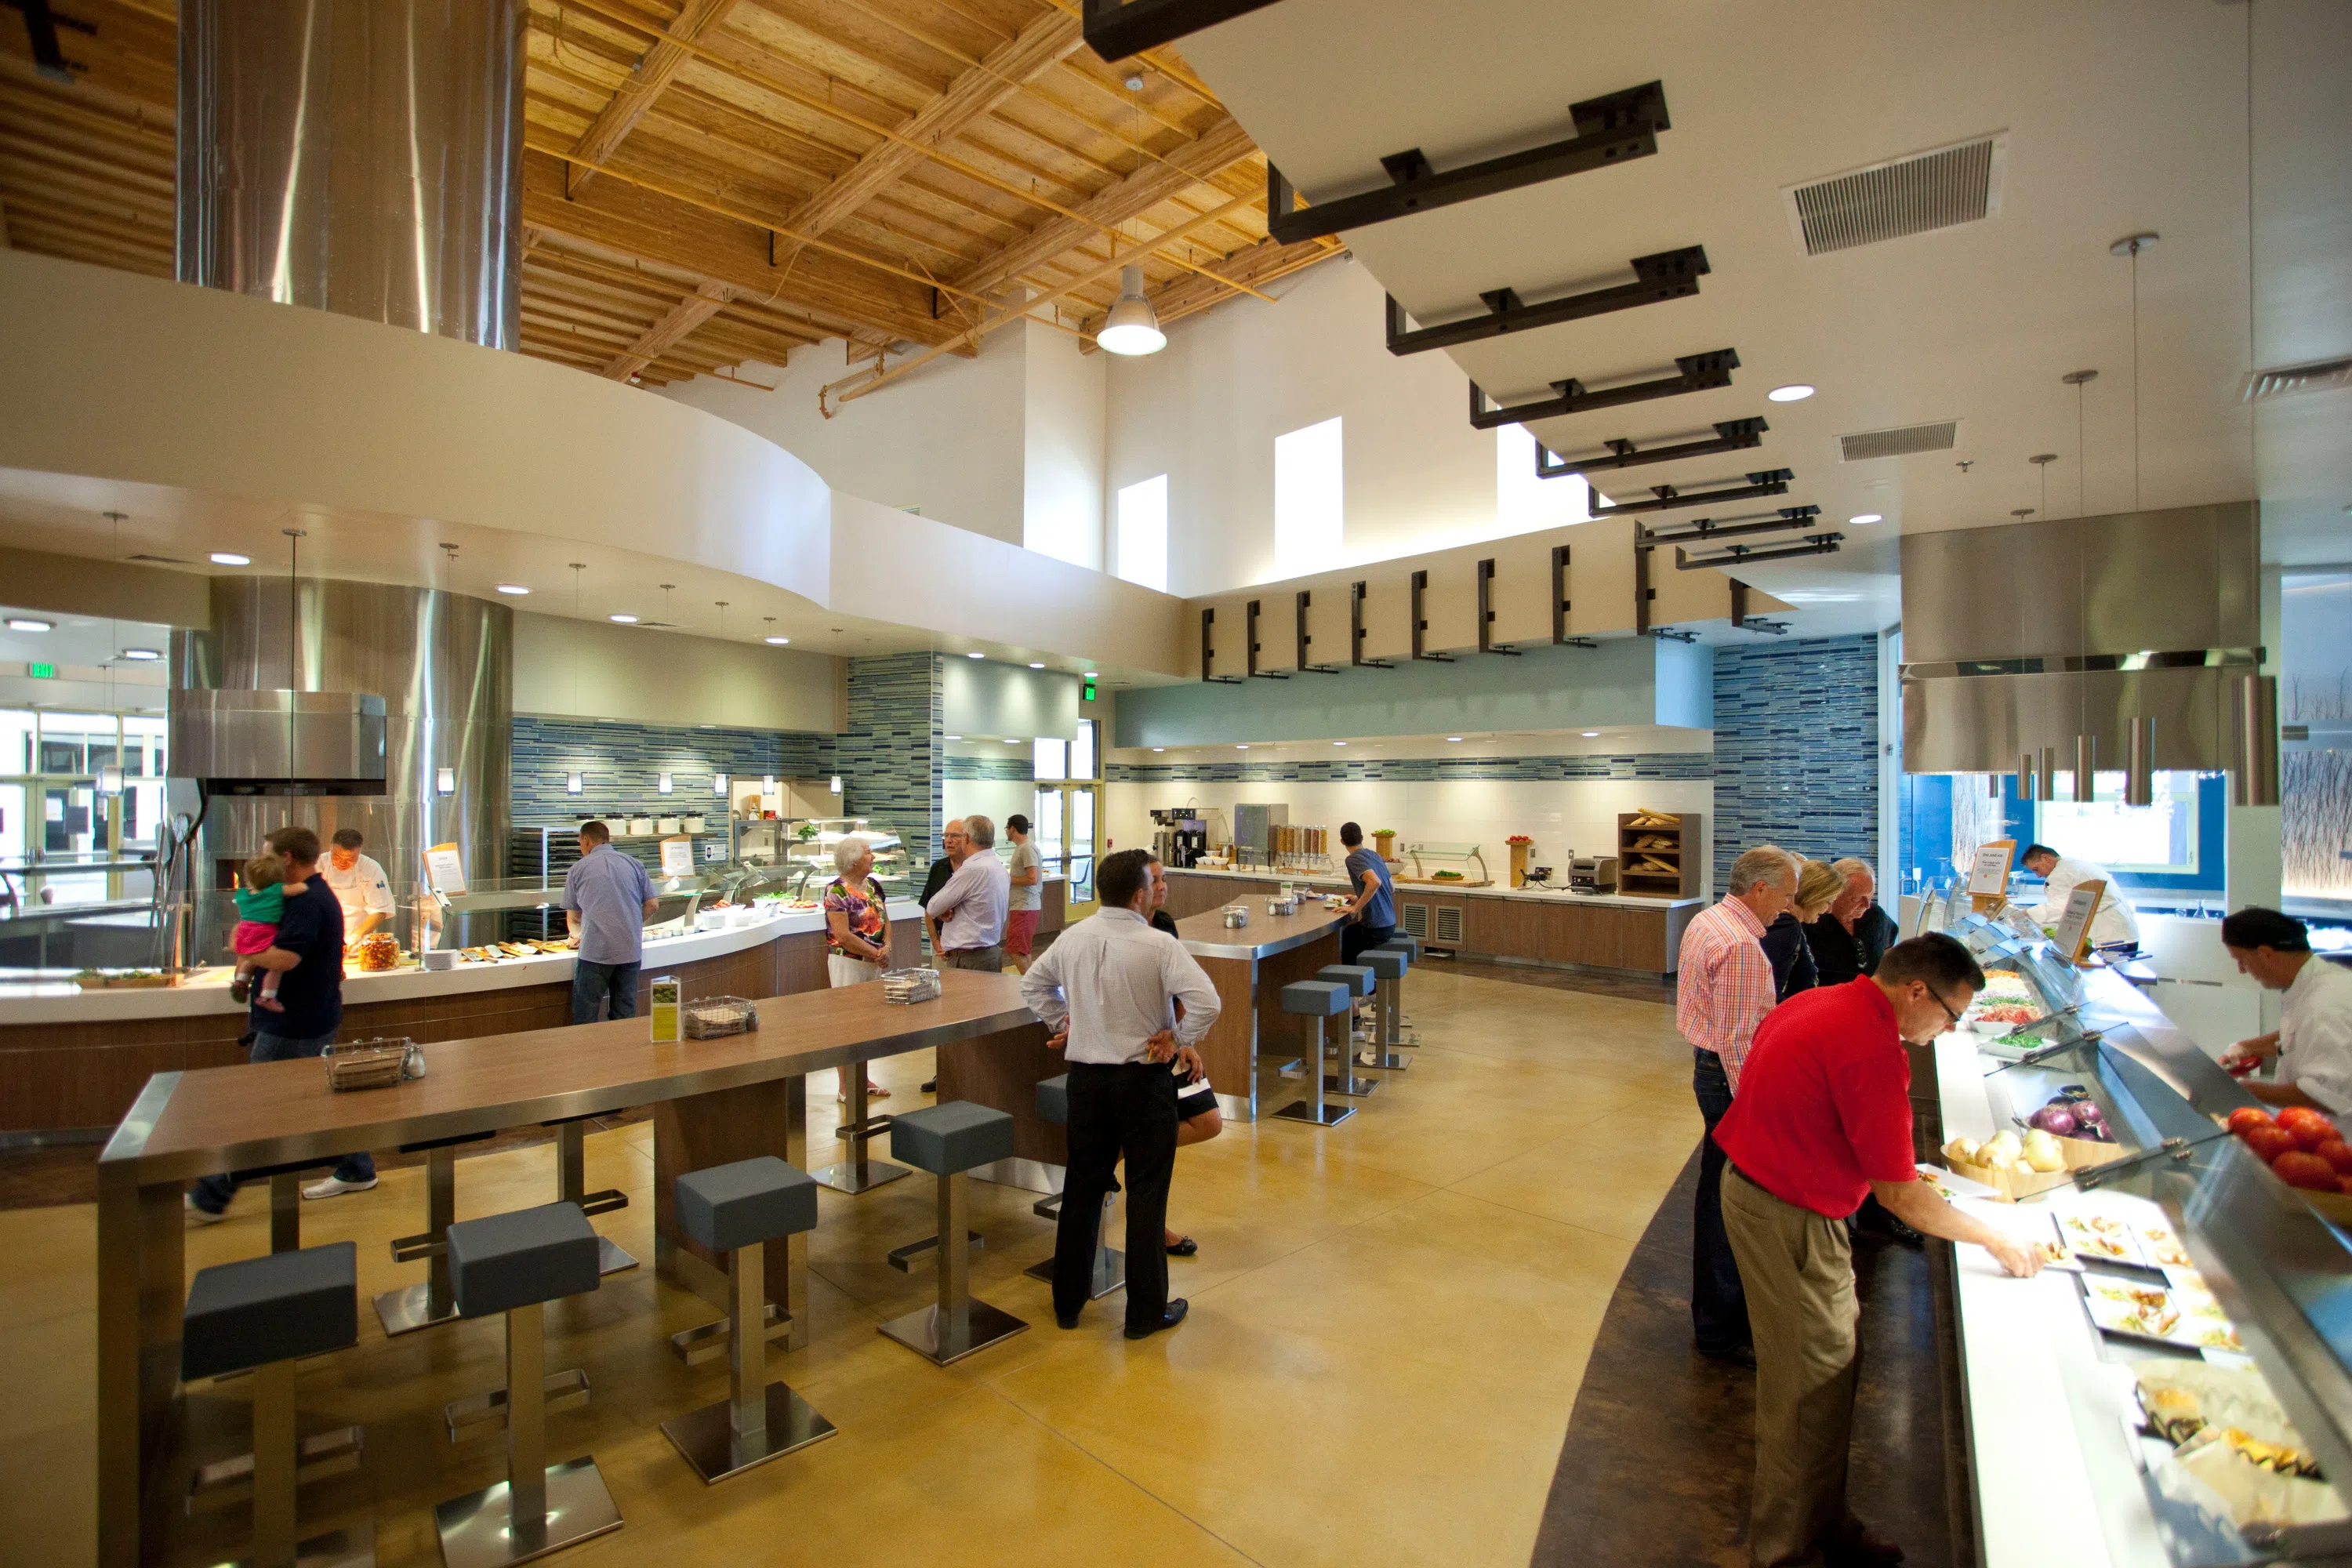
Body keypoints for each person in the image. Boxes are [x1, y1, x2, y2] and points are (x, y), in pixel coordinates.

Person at [1715, 934, 2043, 1567]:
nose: (1949, 1031)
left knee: (1823, 1379)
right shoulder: (1870, 1047)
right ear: (1916, 990)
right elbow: (1900, 1195)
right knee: (1807, 1391)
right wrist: (1993, 1234)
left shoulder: (1819, 1002)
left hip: (1769, 1194)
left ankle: (1825, 1525)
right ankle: (1784, 1551)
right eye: (1951, 1015)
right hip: (1790, 1217)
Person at [1022, 848, 1220, 1340]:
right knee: (1147, 1196)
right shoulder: (1157, 945)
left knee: (1082, 1191)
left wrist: (1062, 1021)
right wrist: (1179, 1037)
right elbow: (1207, 1001)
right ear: (1138, 894)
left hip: (1086, 1084)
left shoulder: (1072, 938)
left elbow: (1033, 984)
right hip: (1142, 1082)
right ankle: (1145, 1314)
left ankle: (1067, 1303)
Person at [188, 826, 376, 1218]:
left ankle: (212, 1196)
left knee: (258, 1108)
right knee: (308, 1102)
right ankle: (357, 1167)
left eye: (268, 852)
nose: (264, 859)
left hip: (296, 1020)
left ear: (287, 857)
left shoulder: (309, 901)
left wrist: (244, 946)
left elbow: (286, 960)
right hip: (304, 1015)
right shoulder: (303, 897)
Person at [1676, 844, 1798, 1367]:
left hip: (1703, 1065)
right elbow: (1740, 1039)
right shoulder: (1744, 945)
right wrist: (1760, 1105)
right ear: (1760, 888)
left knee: (1715, 1193)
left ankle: (1715, 1316)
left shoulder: (1709, 920)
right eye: (1786, 896)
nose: (1787, 907)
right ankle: (1720, 1327)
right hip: (1725, 1080)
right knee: (1730, 1204)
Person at [1148, 851, 1220, 1257]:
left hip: (1167, 1043)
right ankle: (1155, 1228)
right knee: (1162, 1134)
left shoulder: (1165, 926)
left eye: (1164, 878)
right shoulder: (1101, 933)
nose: (1162, 886)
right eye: (1155, 879)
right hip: (1138, 1055)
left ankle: (1121, 1151)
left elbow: (1179, 993)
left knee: (1208, 1121)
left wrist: (1183, 1040)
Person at [2220, 907, 2352, 1112]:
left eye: (2241, 960)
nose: (2242, 970)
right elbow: (2301, 1034)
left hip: (2339, 1136)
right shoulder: (2320, 981)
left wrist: (2244, 1090)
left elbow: (2324, 1095)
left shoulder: (2323, 1005)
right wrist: (2246, 1048)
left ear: (2265, 954)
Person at [564, 819, 659, 1024]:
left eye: (580, 842)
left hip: (595, 954)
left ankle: (588, 1056)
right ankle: (624, 1055)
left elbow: (574, 917)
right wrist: (631, 922)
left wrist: (575, 936)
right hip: (629, 952)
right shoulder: (634, 864)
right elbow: (652, 905)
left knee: (586, 1015)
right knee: (624, 1015)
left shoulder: (578, 868)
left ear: (587, 841)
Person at [823, 833, 891, 1102]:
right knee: (847, 1023)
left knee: (868, 1023)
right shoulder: (836, 892)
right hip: (849, 963)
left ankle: (863, 1077)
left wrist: (886, 947)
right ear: (852, 861)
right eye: (867, 853)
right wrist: (876, 953)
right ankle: (845, 1084)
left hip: (873, 962)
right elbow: (842, 935)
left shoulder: (873, 885)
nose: (872, 856)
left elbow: (885, 918)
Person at [927, 814, 1010, 973]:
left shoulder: (972, 869)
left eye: (955, 836)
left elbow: (933, 907)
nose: (948, 840)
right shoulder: (998, 867)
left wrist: (942, 910)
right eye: (946, 836)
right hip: (990, 951)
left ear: (966, 838)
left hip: (969, 958)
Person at [2020, 842, 2140, 949]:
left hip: (2110, 939)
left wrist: (2024, 915)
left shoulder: (2061, 874)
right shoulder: (2073, 865)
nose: (2038, 876)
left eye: (2036, 869)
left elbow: (2061, 909)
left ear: (2046, 858)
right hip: (2123, 934)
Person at [1759, 858, 1846, 1002]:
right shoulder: (1787, 926)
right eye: (1828, 902)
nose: (1829, 910)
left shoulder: (1786, 923)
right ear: (1815, 896)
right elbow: (1772, 989)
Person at [1806, 858, 1901, 987]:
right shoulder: (1812, 920)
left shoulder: (1875, 916)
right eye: (1856, 899)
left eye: (1870, 896)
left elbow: (1889, 947)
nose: (1866, 905)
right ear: (1834, 894)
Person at [227, 852, 292, 1011]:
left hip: (246, 934)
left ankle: (241, 980)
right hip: (267, 936)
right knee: (276, 967)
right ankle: (268, 995)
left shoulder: (244, 896)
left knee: (251, 958)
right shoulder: (278, 895)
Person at [1337, 820, 1396, 967]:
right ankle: (1364, 980)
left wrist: (1354, 909)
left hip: (1377, 927)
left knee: (1345, 937)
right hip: (1390, 924)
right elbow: (1391, 888)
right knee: (1352, 932)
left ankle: (1354, 983)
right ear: (1362, 838)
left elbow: (1375, 882)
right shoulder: (1375, 855)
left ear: (1342, 841)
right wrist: (1358, 898)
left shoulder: (1353, 859)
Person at [320, 827, 395, 943]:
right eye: (337, 857)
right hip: (321, 940)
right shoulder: (317, 864)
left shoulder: (371, 868)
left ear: (359, 852)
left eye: (350, 859)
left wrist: (353, 938)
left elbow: (380, 910)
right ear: (331, 847)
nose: (343, 863)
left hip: (357, 944)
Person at [1004, 813, 1044, 973]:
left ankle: (1030, 984)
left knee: (1016, 949)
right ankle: (1031, 982)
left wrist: (1008, 879)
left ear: (1013, 829)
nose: (1006, 832)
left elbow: (1032, 878)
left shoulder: (1026, 848)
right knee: (1023, 949)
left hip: (1025, 905)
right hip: (1022, 905)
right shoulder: (1023, 848)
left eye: (1007, 828)